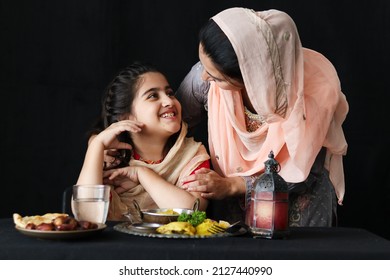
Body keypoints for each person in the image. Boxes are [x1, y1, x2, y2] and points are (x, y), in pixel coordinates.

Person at [176, 8, 349, 227]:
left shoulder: (311, 90)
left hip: (299, 204)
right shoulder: (204, 80)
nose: (203, 75)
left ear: (251, 77)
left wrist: (233, 185)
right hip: (230, 202)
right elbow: (171, 132)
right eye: (203, 64)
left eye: (217, 77)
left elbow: (306, 173)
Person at [77, 62, 210, 221]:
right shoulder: (109, 158)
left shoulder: (193, 155)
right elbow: (87, 217)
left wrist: (142, 174)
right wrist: (96, 146)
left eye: (170, 93)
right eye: (153, 96)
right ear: (126, 117)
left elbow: (191, 215)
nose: (169, 101)